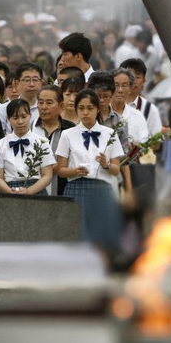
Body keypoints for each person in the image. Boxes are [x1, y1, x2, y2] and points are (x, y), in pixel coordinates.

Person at [55, 89, 124, 254]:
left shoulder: (109, 134)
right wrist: (74, 171)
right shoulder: (67, 134)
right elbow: (60, 170)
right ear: (76, 109)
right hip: (75, 187)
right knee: (75, 232)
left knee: (102, 231)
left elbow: (116, 170)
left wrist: (106, 164)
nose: (85, 113)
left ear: (97, 109)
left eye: (90, 108)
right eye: (81, 108)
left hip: (101, 187)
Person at [0, 99, 54, 195]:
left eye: (24, 117)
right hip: (9, 190)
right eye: (15, 118)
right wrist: (10, 192)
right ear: (8, 119)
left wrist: (29, 191)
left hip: (36, 190)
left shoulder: (42, 142)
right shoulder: (1, 144)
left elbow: (47, 175)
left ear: (30, 116)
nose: (20, 122)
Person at [31, 85, 75, 195]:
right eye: (40, 103)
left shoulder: (70, 129)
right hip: (34, 189)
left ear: (62, 106)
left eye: (49, 103)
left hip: (63, 190)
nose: (44, 107)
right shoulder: (29, 127)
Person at [119, 58, 162, 136]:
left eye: (137, 77)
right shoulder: (108, 105)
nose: (133, 81)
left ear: (144, 80)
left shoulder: (150, 109)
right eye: (130, 77)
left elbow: (157, 142)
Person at [111, 68, 149, 145]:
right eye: (116, 85)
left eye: (124, 85)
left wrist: (135, 145)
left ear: (130, 89)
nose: (120, 90)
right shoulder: (101, 112)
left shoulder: (138, 116)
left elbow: (144, 144)